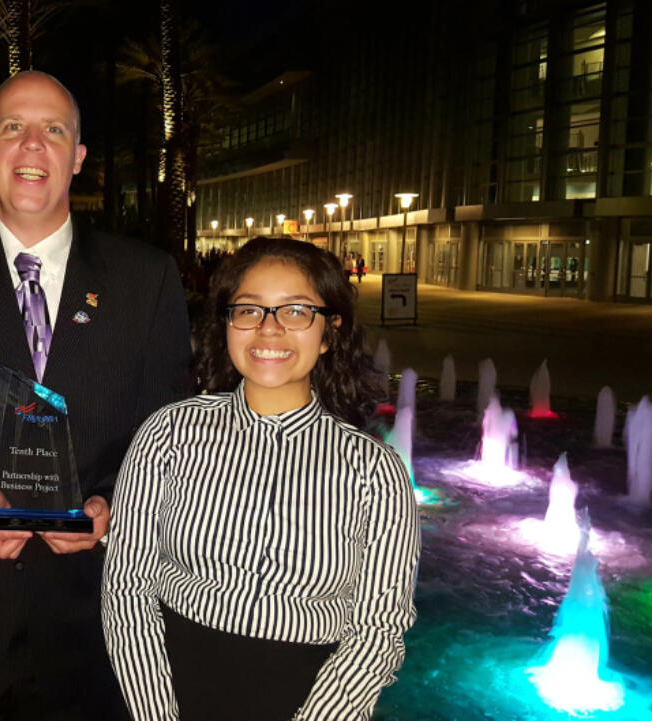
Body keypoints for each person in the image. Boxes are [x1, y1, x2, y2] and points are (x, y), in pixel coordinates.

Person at [0, 70, 192, 720]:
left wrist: (116, 503)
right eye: (11, 128)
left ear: (78, 156)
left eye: (53, 130)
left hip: (94, 627)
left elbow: (170, 434)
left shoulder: (146, 279)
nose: (31, 146)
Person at [101, 237, 420, 721]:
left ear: (330, 331)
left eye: (295, 311)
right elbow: (128, 587)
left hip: (310, 697)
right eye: (248, 310)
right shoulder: (169, 433)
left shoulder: (374, 471)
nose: (269, 330)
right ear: (226, 324)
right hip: (165, 687)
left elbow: (377, 630)